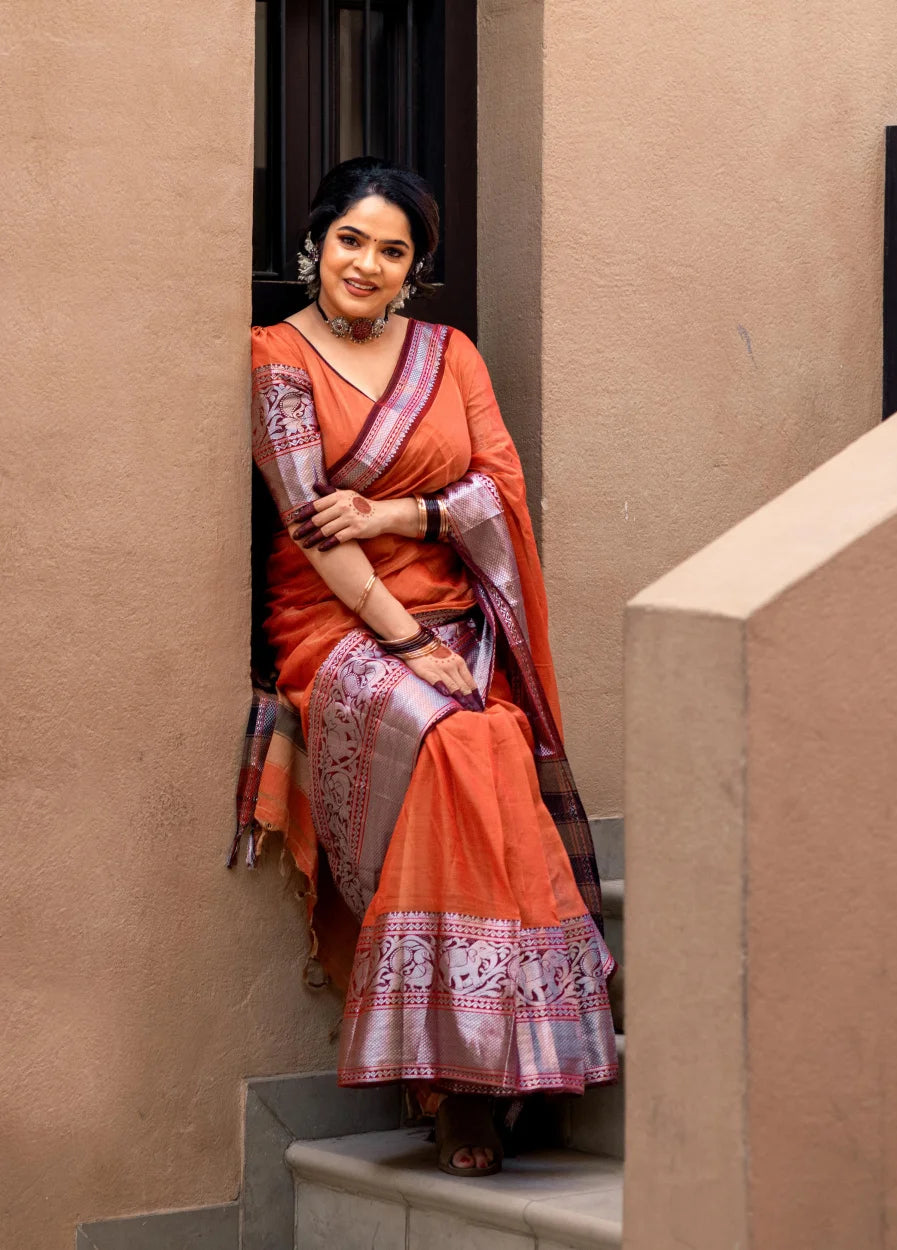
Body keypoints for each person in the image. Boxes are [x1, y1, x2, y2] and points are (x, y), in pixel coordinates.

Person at [239, 156, 618, 1176]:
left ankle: (498, 1061)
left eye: (392, 250)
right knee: (455, 733)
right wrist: (404, 640)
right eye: (352, 240)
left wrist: (404, 510)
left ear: (414, 268)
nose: (367, 263)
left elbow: (498, 489)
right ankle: (453, 1085)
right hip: (336, 616)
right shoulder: (276, 357)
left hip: (457, 605)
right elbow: (312, 523)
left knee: (491, 736)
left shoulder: (450, 355)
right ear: (317, 243)